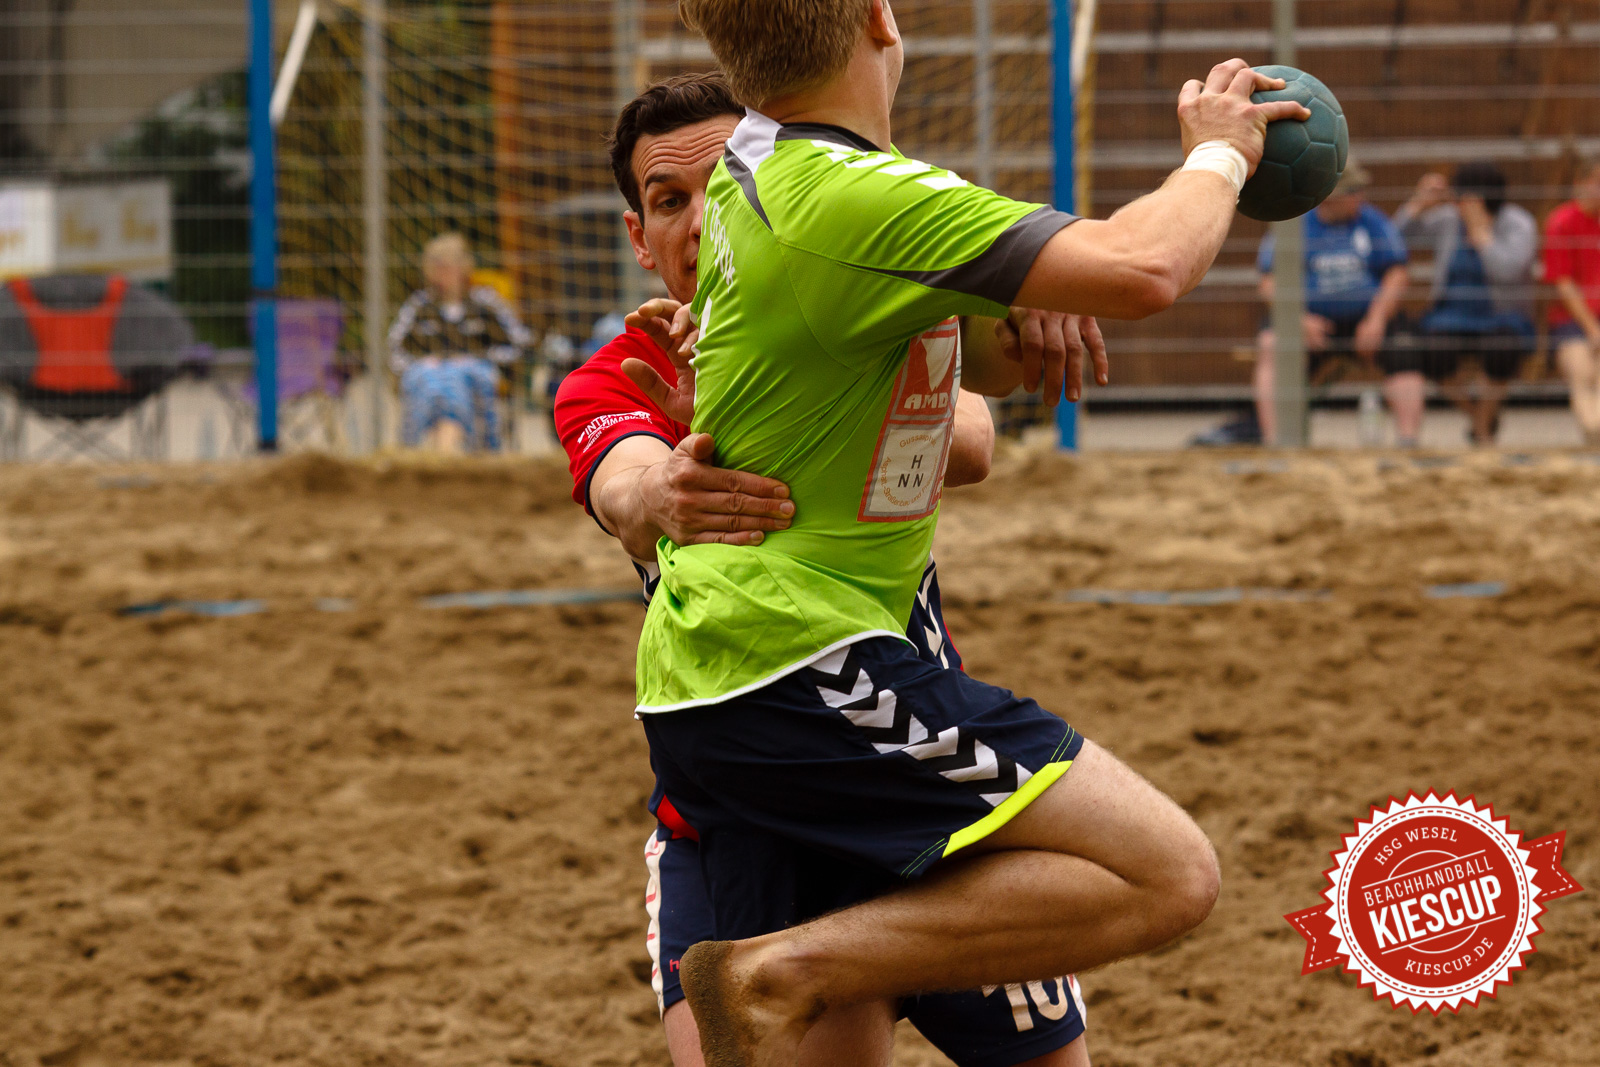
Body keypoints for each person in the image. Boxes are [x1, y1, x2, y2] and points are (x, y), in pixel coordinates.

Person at [628, 1, 1309, 1061]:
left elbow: (977, 369)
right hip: (794, 661)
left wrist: (1016, 296)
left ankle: (796, 969)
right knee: (1168, 871)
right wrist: (1218, 152)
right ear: (881, 19)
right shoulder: (841, 196)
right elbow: (1144, 271)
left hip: (744, 670)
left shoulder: (763, 169)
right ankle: (780, 968)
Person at [555, 72, 1102, 1067]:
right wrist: (669, 480)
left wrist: (1029, 298)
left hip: (910, 767)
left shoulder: (840, 310)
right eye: (665, 201)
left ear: (759, 195)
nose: (691, 218)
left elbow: (971, 440)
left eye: (714, 186)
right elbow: (624, 490)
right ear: (639, 237)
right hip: (745, 810)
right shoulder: (615, 370)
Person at [1196, 160, 1408, 446]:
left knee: (1406, 348)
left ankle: (1409, 442)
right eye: (1352, 191)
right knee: (1273, 343)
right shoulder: (1296, 224)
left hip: (1365, 322)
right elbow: (1269, 283)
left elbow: (1397, 273)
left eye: (1360, 190)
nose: (1360, 197)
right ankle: (1277, 443)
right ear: (1329, 197)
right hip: (1308, 322)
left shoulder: (1373, 221)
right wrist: (1298, 319)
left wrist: (1377, 319)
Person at [1390, 161, 1539, 445]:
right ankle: (1479, 417)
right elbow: (1396, 239)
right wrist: (1418, 205)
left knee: (1503, 352)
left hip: (1501, 315)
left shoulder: (1519, 223)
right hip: (1450, 314)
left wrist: (1483, 236)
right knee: (1434, 352)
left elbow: (1508, 272)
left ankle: (1481, 432)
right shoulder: (1448, 220)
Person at [387, 232, 530, 451]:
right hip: (427, 377)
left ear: (463, 268)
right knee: (432, 380)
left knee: (457, 378)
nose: (442, 274)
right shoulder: (418, 305)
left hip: (474, 376)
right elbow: (394, 349)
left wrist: (477, 359)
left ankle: (440, 453)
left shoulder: (486, 302)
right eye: (437, 268)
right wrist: (420, 363)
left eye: (448, 267)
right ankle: (442, 454)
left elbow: (521, 344)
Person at [1543, 156, 1600, 445]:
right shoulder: (1562, 222)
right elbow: (1563, 283)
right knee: (1582, 374)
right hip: (1572, 321)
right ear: (1582, 183)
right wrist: (1592, 330)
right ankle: (1592, 434)